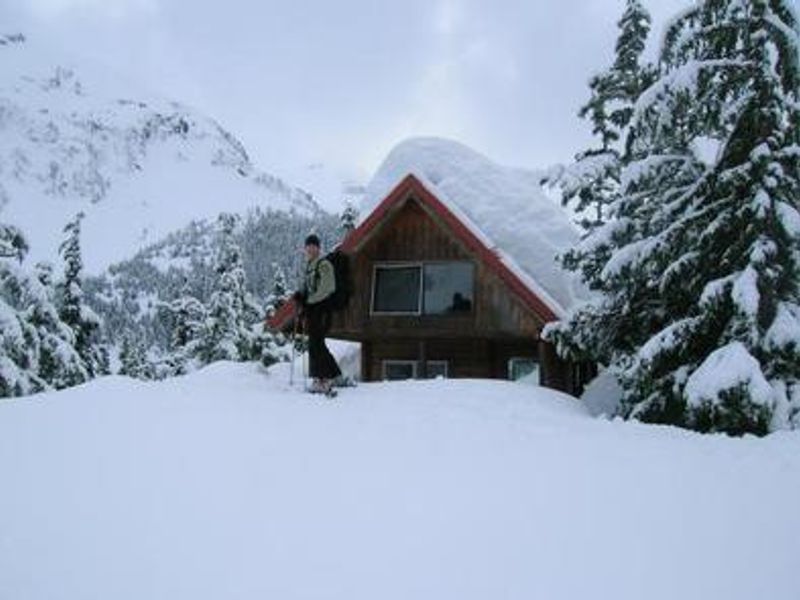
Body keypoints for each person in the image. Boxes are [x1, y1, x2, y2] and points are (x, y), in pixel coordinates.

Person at [293, 234, 341, 394]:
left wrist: (310, 300)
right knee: (315, 343)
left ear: (318, 248)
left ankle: (326, 377)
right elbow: (307, 287)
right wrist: (300, 295)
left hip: (322, 309)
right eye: (308, 246)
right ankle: (326, 376)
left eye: (313, 246)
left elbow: (328, 287)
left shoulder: (324, 264)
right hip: (313, 309)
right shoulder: (309, 266)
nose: (310, 249)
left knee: (316, 343)